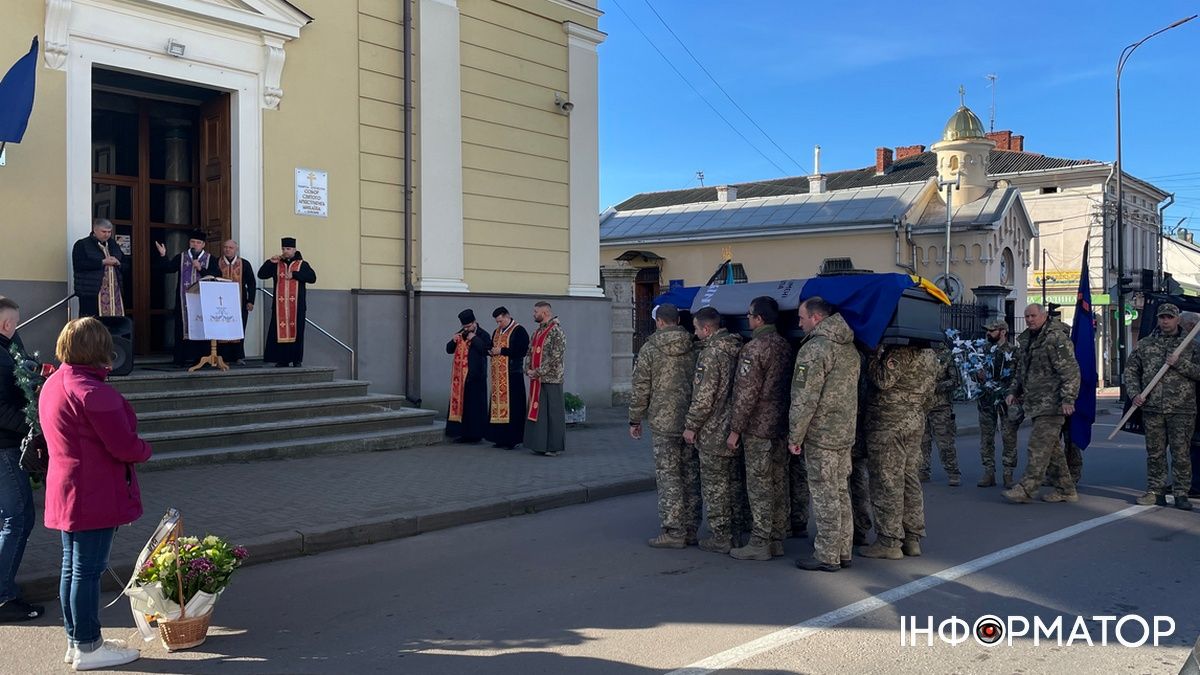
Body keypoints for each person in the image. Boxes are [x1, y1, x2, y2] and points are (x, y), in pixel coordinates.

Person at [40, 318, 152, 670]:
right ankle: (89, 647)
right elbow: (124, 446)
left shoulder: (56, 382)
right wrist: (144, 449)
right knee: (87, 571)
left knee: (72, 568)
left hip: (68, 485)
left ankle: (78, 641)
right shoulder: (93, 392)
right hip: (94, 490)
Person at [788, 298, 860, 573]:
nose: (799, 322)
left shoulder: (815, 348)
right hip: (844, 431)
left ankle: (827, 554)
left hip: (821, 433)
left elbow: (804, 397)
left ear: (816, 318)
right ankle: (843, 549)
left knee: (824, 493)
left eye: (802, 317)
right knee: (841, 490)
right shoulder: (849, 346)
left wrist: (795, 435)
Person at [859, 343, 939, 560]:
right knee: (910, 476)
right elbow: (931, 392)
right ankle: (912, 537)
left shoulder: (900, 351)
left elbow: (883, 379)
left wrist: (874, 357)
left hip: (889, 422)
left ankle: (889, 540)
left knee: (887, 479)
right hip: (915, 419)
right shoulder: (930, 353)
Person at [727, 296, 792, 562]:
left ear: (759, 319)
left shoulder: (754, 349)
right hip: (780, 424)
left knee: (759, 484)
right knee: (778, 482)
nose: (748, 319)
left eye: (750, 315)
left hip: (758, 426)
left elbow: (746, 394)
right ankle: (776, 538)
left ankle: (760, 541)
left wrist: (735, 429)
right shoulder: (786, 345)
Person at [630, 304, 699, 549]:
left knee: (669, 476)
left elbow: (641, 387)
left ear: (659, 322)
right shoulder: (694, 344)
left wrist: (635, 419)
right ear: (678, 319)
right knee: (690, 475)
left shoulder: (650, 348)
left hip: (663, 421)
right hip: (692, 420)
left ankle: (673, 530)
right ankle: (691, 528)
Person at [1123, 303, 1200, 509]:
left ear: (1177, 320)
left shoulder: (1191, 345)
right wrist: (1135, 394)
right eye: (1162, 317)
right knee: (1155, 453)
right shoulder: (1146, 344)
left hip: (1182, 409)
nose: (1165, 321)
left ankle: (1181, 493)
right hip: (1153, 408)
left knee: (1181, 453)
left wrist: (1179, 363)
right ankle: (1155, 491)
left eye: (1169, 317)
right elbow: (1131, 370)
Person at [1003, 303, 1081, 505]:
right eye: (1026, 316)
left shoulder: (1055, 338)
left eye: (1033, 316)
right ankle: (1066, 489)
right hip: (1035, 402)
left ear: (1044, 316)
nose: (1029, 319)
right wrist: (1013, 391)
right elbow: (1021, 370)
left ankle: (1026, 489)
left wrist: (1068, 398)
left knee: (1037, 446)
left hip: (1052, 403)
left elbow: (1070, 371)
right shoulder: (1028, 340)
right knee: (1052, 449)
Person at [683, 307, 744, 554]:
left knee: (715, 486)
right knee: (735, 483)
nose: (695, 335)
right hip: (734, 427)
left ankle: (721, 536)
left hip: (713, 431)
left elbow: (703, 398)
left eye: (696, 329)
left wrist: (691, 426)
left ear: (707, 329)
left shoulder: (710, 355)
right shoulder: (738, 347)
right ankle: (737, 533)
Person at [0, 297, 43, 622]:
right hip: (5, 447)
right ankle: (3, 596)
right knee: (17, 518)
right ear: (7, 324)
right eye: (15, 324)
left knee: (13, 518)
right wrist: (30, 424)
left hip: (7, 445)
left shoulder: (7, 352)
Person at [154, 230, 220, 367]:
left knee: (201, 327)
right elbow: (168, 269)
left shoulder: (210, 259)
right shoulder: (182, 257)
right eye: (192, 242)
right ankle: (180, 359)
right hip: (183, 300)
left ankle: (201, 358)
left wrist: (201, 269)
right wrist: (163, 255)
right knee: (181, 328)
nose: (194, 245)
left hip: (202, 301)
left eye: (198, 242)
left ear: (203, 245)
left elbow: (216, 275)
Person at [257, 237, 317, 367]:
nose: (285, 251)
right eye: (283, 249)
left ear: (294, 249)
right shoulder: (277, 264)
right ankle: (282, 360)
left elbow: (312, 278)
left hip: (297, 306)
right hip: (279, 307)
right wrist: (270, 262)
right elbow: (261, 275)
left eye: (288, 249)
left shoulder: (302, 264)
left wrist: (295, 275)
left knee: (297, 332)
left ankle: (296, 360)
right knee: (279, 332)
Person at [976, 320, 1021, 488]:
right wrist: (977, 376)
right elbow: (974, 372)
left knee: (1008, 437)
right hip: (986, 400)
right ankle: (989, 472)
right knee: (986, 437)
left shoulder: (1014, 351)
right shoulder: (983, 350)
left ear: (1002, 332)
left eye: (992, 331)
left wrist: (1014, 394)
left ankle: (1008, 473)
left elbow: (1019, 375)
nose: (988, 334)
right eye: (988, 331)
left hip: (1006, 400)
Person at [524, 302, 567, 456]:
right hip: (537, 379)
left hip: (552, 379)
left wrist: (539, 371)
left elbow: (556, 356)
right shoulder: (537, 332)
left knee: (553, 414)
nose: (533, 314)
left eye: (536, 311)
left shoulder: (556, 331)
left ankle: (553, 446)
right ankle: (539, 444)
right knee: (540, 413)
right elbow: (529, 351)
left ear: (545, 312)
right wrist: (527, 369)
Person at [445, 309, 492, 444]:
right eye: (464, 327)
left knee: (475, 407)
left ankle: (476, 435)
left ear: (474, 323)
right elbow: (448, 350)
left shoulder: (483, 334)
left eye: (468, 327)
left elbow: (486, 349)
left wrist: (475, 338)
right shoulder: (461, 334)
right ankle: (461, 433)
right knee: (463, 407)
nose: (466, 329)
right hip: (460, 379)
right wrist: (453, 341)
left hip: (476, 376)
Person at [919, 341, 962, 486]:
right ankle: (923, 470)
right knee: (922, 442)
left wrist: (937, 387)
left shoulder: (947, 355)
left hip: (941, 406)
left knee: (944, 441)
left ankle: (953, 472)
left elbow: (956, 381)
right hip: (923, 405)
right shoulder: (921, 352)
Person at [486, 307, 529, 449]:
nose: (499, 324)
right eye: (497, 322)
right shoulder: (496, 332)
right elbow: (493, 346)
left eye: (500, 321)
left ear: (507, 316)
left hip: (513, 375)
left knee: (513, 408)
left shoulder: (519, 330)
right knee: (498, 407)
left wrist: (502, 351)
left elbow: (522, 350)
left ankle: (513, 439)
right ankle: (499, 438)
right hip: (498, 376)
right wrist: (491, 351)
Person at [72, 219, 127, 318]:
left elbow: (125, 264)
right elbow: (79, 265)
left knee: (113, 325)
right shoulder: (82, 244)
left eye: (109, 232)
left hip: (114, 294)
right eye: (104, 232)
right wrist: (102, 262)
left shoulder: (113, 245)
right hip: (91, 293)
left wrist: (118, 263)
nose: (107, 235)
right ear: (95, 230)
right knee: (91, 325)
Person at [216, 240, 257, 365]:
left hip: (240, 301)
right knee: (222, 328)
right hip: (220, 302)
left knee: (239, 328)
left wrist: (251, 301)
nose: (228, 249)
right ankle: (223, 356)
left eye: (230, 247)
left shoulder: (244, 264)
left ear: (236, 249)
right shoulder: (217, 262)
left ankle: (238, 356)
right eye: (225, 247)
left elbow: (251, 283)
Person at [1180, 311, 1200, 499]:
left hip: (1194, 402)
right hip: (1187, 403)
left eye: (1182, 325)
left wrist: (1180, 363)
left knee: (1194, 445)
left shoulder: (1195, 345)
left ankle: (1195, 484)